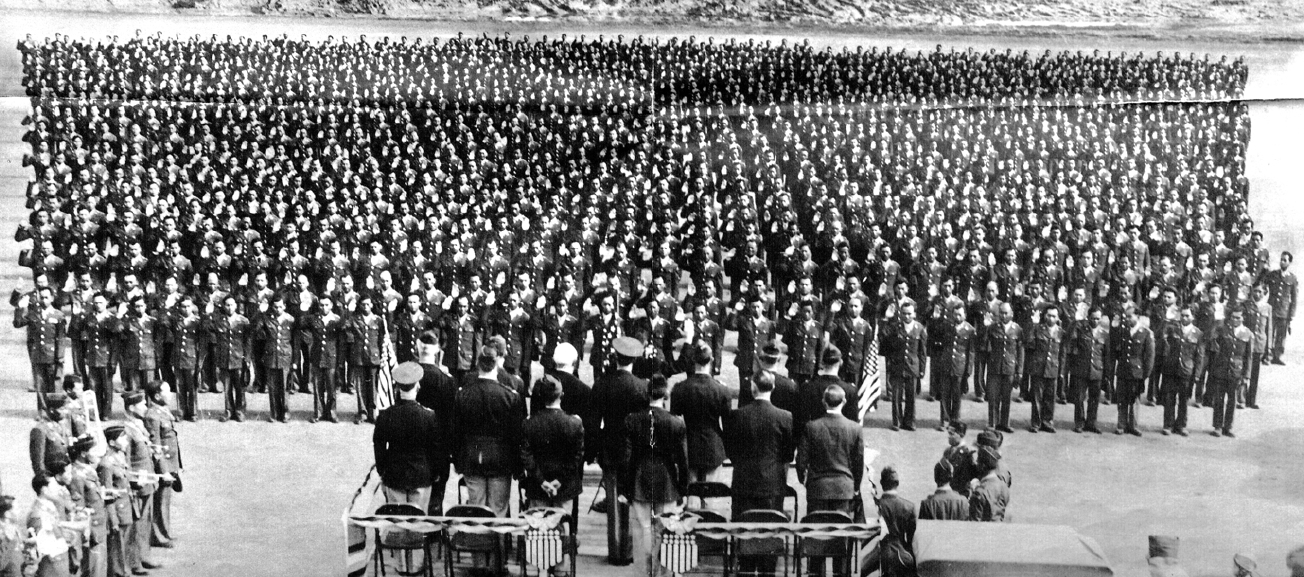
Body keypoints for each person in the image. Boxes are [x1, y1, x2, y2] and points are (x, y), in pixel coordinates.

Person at [725, 371, 794, 577]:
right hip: (772, 484)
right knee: (769, 533)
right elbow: (788, 454)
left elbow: (730, 450)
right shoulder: (785, 417)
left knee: (745, 533)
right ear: (772, 388)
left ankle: (746, 569)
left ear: (752, 389)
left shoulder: (738, 415)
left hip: (743, 483)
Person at [587, 336, 648, 566]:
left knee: (613, 502)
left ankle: (615, 552)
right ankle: (628, 551)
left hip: (610, 448)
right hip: (634, 452)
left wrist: (592, 451)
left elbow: (593, 423)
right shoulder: (641, 386)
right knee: (631, 500)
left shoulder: (602, 383)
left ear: (616, 357)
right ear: (633, 359)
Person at [621, 374, 688, 577]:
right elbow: (683, 461)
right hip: (667, 481)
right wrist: (683, 490)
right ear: (665, 395)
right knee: (665, 530)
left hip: (640, 479)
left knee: (643, 532)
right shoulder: (676, 423)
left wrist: (625, 489)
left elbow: (627, 458)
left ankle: (644, 573)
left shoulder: (632, 420)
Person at [453, 347, 526, 518]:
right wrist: (518, 467)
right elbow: (517, 436)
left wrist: (458, 461)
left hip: (472, 459)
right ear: (496, 366)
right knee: (498, 509)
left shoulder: (463, 395)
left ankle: (478, 543)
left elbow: (456, 432)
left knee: (476, 508)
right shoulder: (510, 397)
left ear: (478, 364)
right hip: (501, 461)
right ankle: (497, 544)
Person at [373, 362, 443, 512]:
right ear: (418, 386)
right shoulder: (429, 416)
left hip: (394, 476)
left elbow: (378, 447)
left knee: (397, 523)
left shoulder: (386, 415)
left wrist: (382, 471)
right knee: (418, 523)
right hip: (421, 477)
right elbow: (435, 449)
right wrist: (435, 473)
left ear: (397, 388)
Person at [796, 384, 864, 515]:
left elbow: (801, 460)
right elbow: (858, 462)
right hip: (844, 489)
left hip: (817, 489)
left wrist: (803, 480)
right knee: (841, 530)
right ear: (844, 402)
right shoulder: (855, 429)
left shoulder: (811, 427)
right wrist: (855, 486)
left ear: (823, 402)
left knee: (816, 530)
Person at [669, 341, 732, 483]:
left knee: (692, 495)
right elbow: (728, 423)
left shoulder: (680, 388)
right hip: (714, 447)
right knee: (712, 494)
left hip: (689, 446)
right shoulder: (721, 390)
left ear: (693, 360)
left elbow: (674, 420)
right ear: (711, 360)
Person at [520, 376, 585, 511]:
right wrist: (560, 480)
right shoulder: (574, 423)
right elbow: (577, 456)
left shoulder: (529, 423)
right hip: (565, 487)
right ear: (561, 395)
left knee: (537, 525)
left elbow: (526, 455)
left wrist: (542, 481)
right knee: (563, 524)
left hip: (537, 486)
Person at [121, 392, 161, 573]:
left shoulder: (138, 425)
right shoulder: (127, 430)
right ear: (131, 408)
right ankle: (134, 561)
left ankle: (144, 555)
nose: (146, 407)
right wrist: (131, 482)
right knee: (137, 524)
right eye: (142, 404)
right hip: (138, 483)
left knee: (145, 521)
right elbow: (125, 461)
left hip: (147, 481)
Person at [13, 287, 66, 410]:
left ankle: (55, 411)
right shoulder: (33, 314)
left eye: (46, 297)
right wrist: (20, 308)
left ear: (52, 298)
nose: (44, 300)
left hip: (52, 356)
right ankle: (43, 412)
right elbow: (18, 323)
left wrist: (60, 357)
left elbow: (61, 338)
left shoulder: (58, 316)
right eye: (41, 297)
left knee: (54, 385)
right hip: (38, 355)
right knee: (40, 385)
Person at [142, 382, 180, 550]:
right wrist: (164, 470)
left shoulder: (163, 411)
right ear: (157, 396)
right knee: (160, 501)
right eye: (167, 391)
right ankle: (158, 536)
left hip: (170, 463)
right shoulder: (152, 416)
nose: (171, 394)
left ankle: (165, 532)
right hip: (162, 465)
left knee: (165, 500)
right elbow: (156, 446)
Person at [1207, 307, 1253, 438]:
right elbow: (1210, 338)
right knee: (1219, 399)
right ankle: (1217, 426)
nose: (1235, 320)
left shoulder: (1247, 334)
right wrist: (1216, 323)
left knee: (1232, 400)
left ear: (1243, 318)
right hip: (1221, 369)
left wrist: (1246, 376)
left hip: (1236, 371)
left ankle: (1228, 427)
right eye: (1233, 317)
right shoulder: (1222, 330)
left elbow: (1248, 357)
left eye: (1238, 317)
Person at [882, 301, 926, 431]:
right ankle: (897, 421)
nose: (907, 316)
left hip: (912, 367)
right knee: (896, 396)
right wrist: (886, 319)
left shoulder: (920, 329)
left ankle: (910, 422)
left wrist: (922, 370)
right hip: (897, 366)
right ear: (900, 314)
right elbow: (883, 338)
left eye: (909, 314)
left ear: (914, 314)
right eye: (904, 313)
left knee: (911, 397)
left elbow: (922, 353)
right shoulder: (894, 327)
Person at [1159, 307, 1204, 436]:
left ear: (1192, 317)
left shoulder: (1198, 333)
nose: (1184, 318)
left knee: (1184, 399)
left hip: (1186, 371)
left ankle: (1181, 425)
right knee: (1169, 398)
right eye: (1182, 315)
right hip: (1171, 369)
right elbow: (1162, 342)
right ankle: (1168, 425)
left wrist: (1197, 375)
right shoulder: (1171, 329)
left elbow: (1199, 356)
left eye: (1187, 316)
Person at [67, 435, 107, 577]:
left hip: (100, 522)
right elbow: (80, 509)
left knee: (100, 565)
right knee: (92, 566)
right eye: (92, 451)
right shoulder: (77, 475)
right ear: (83, 453)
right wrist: (88, 532)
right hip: (92, 527)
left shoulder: (89, 470)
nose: (95, 455)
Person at [1066, 306, 1111, 434]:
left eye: (1098, 319)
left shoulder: (1104, 334)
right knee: (1079, 398)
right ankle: (1079, 423)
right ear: (1088, 317)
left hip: (1097, 370)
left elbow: (1106, 356)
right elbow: (1072, 349)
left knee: (1094, 399)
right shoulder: (1080, 330)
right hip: (1081, 369)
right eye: (1093, 318)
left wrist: (1107, 374)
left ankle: (1091, 423)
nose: (1095, 321)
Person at [1114, 303, 1155, 437]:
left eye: (1130, 316)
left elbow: (1149, 357)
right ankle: (1121, 424)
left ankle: (1133, 425)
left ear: (1137, 316)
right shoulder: (1122, 331)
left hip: (1136, 372)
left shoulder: (1146, 333)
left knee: (1134, 399)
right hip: (1123, 370)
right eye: (1125, 316)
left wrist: (1145, 375)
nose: (1126, 319)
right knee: (1122, 398)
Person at [1025, 305, 1067, 433]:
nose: (1051, 318)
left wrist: (1061, 372)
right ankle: (1036, 423)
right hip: (1038, 368)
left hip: (1052, 368)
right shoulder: (1037, 329)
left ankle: (1047, 422)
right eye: (1048, 315)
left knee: (1050, 397)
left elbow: (1062, 354)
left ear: (1057, 318)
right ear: (1044, 316)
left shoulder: (1061, 333)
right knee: (1037, 397)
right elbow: (1029, 343)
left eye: (1054, 316)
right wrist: (1032, 325)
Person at [933, 303, 975, 429]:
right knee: (945, 394)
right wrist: (935, 319)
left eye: (960, 314)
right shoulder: (946, 326)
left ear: (965, 315)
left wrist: (968, 370)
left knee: (957, 395)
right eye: (955, 314)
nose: (957, 317)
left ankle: (955, 420)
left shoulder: (970, 330)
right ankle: (944, 420)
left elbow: (971, 352)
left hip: (960, 366)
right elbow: (934, 334)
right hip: (946, 364)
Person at [98, 424, 133, 577]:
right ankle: (117, 573)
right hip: (117, 510)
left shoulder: (120, 456)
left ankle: (123, 570)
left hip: (126, 506)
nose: (126, 440)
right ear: (112, 442)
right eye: (122, 438)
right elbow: (108, 493)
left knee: (123, 543)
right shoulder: (107, 463)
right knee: (116, 545)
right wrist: (112, 519)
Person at [985, 303, 1023, 433]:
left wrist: (1020, 371)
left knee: (1007, 397)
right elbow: (986, 347)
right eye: (1001, 312)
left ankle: (1005, 423)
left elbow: (1020, 351)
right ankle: (992, 423)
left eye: (1006, 313)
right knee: (993, 396)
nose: (1003, 315)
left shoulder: (1017, 329)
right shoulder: (992, 328)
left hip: (1009, 367)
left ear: (1011, 313)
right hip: (994, 367)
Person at [875, 467, 916, 577]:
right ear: (897, 483)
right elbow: (911, 539)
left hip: (879, 555)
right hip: (902, 555)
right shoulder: (909, 506)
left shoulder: (876, 505)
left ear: (881, 483)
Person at [1262, 251, 1295, 365]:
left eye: (1285, 260)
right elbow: (1263, 286)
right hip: (1271, 308)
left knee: (1281, 335)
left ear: (1289, 262)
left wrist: (1291, 315)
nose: (1282, 262)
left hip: (1284, 311)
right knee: (1268, 332)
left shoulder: (1292, 279)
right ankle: (1267, 355)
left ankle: (1277, 356)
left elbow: (1294, 299)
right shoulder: (1272, 274)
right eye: (1281, 259)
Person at [30, 392, 70, 482]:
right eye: (62, 409)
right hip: (52, 478)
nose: (66, 412)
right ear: (52, 410)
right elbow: (38, 462)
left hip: (65, 475)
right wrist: (46, 481)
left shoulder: (62, 424)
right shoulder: (40, 429)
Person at [968, 445, 1009, 522]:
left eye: (978, 462)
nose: (976, 465)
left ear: (983, 466)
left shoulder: (980, 492)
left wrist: (972, 494)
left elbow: (973, 524)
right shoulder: (1004, 486)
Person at [940, 422, 976, 496]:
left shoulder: (967, 454)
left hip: (960, 494)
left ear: (961, 435)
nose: (948, 436)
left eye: (951, 434)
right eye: (948, 434)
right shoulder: (948, 451)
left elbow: (968, 478)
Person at [0, 495, 21, 577]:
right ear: (7, 514)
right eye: (17, 509)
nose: (19, 511)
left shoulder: (14, 528)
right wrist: (10, 542)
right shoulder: (3, 535)